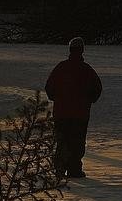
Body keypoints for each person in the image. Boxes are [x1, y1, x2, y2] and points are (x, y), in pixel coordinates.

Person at [43, 36, 103, 178]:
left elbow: (49, 88)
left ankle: (60, 168)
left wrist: (58, 98)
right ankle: (74, 169)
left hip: (61, 113)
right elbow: (97, 88)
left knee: (62, 141)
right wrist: (88, 100)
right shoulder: (86, 69)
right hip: (80, 114)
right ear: (82, 50)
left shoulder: (61, 67)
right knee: (77, 142)